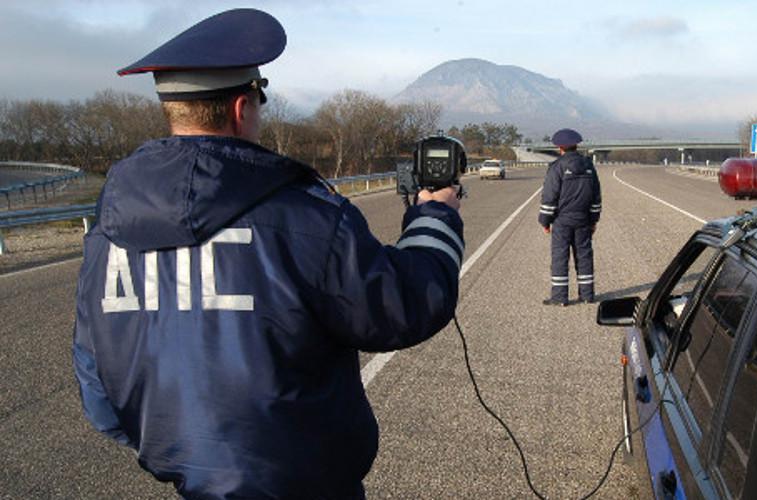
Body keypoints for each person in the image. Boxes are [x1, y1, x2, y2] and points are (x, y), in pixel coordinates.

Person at [71, 9, 463, 499]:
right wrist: (435, 217)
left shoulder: (106, 231)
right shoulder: (307, 215)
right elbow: (405, 306)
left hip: (191, 482)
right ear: (241, 108)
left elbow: (97, 383)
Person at [538, 128, 602, 306]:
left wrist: (545, 221)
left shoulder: (557, 167)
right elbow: (596, 195)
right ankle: (588, 295)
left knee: (560, 257)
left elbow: (549, 197)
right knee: (584, 257)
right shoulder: (589, 165)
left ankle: (560, 298)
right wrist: (594, 219)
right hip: (583, 220)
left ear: (560, 148)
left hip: (562, 221)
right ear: (576, 146)